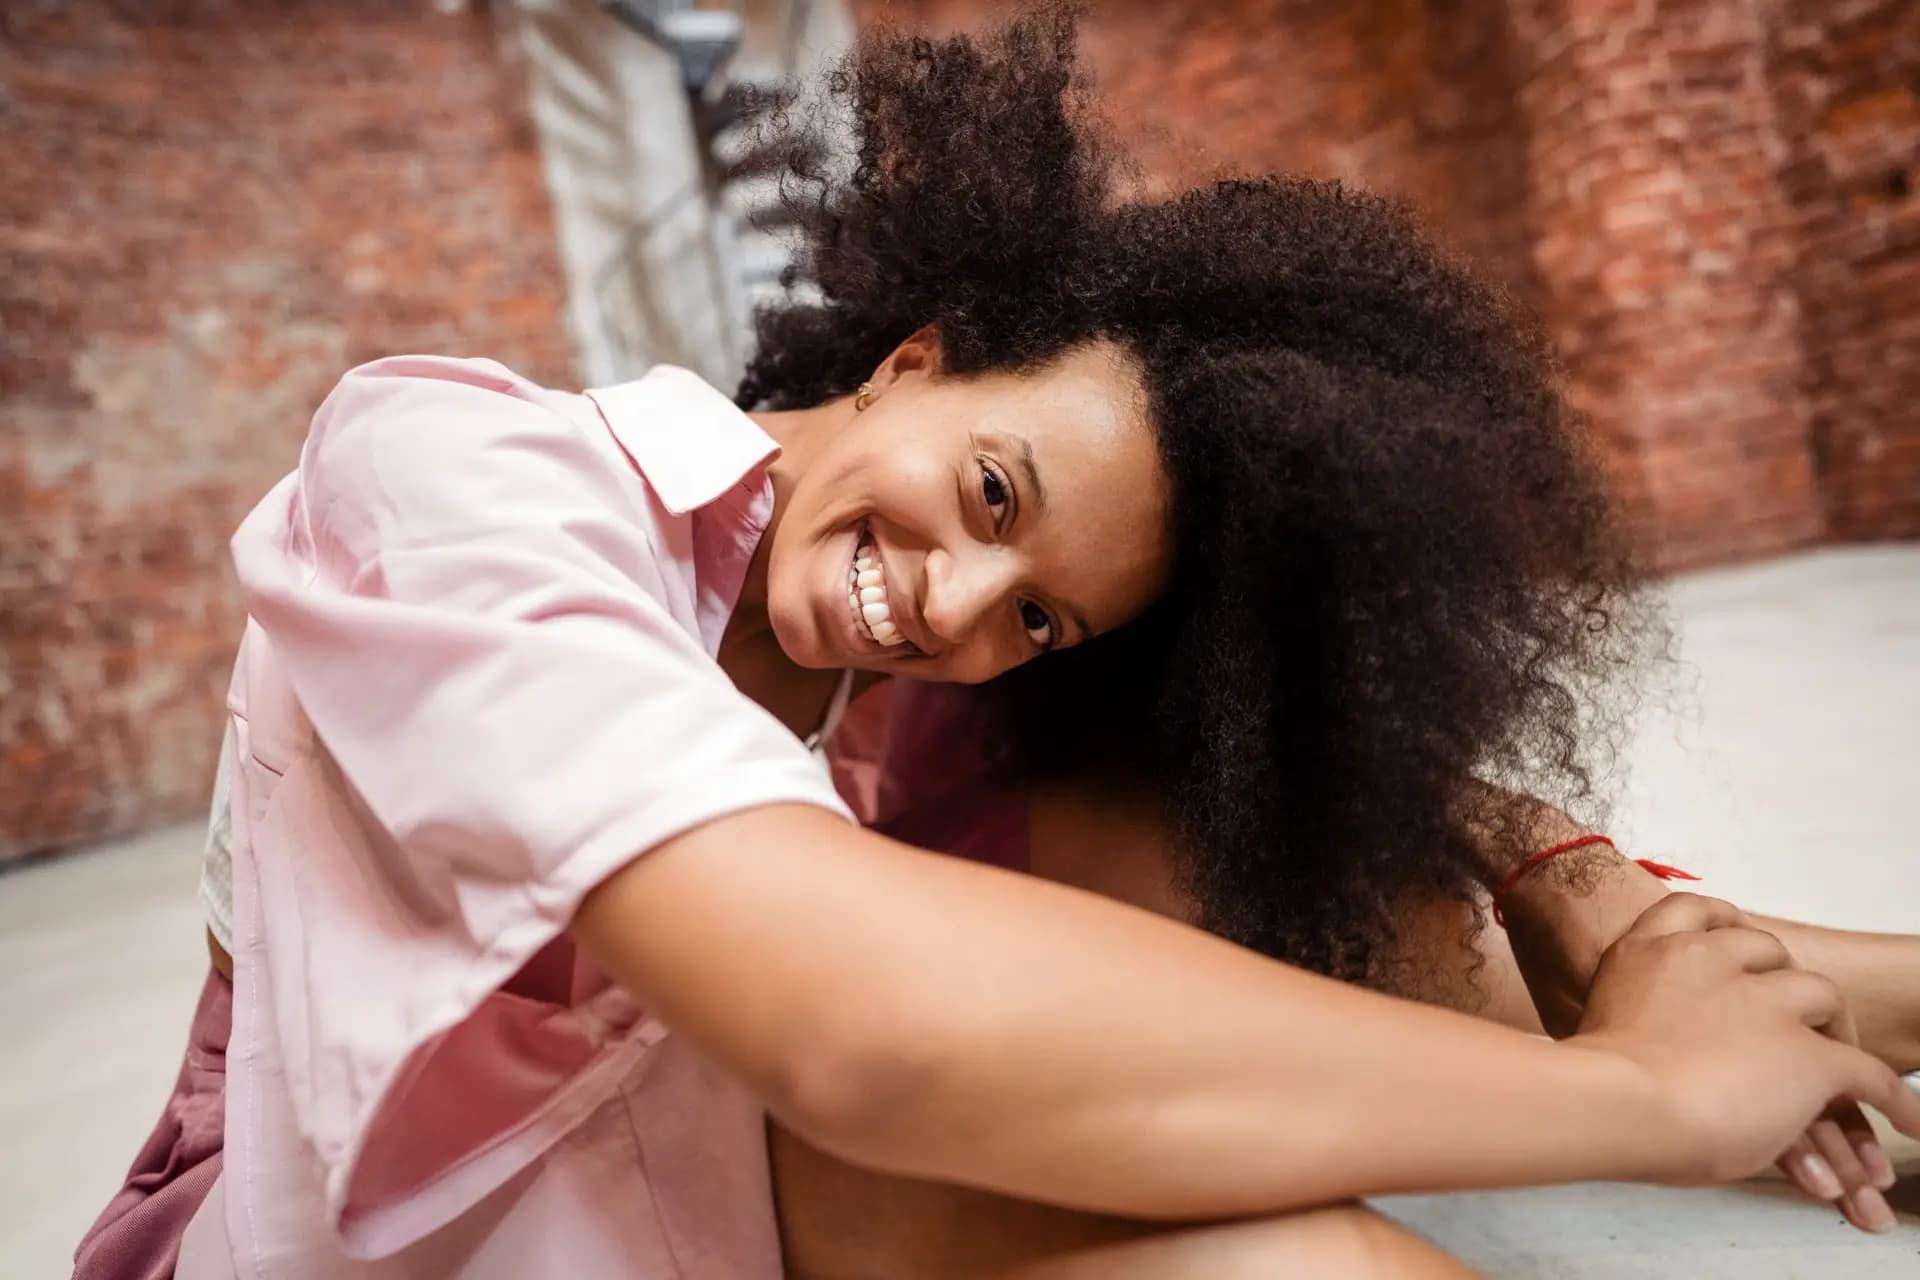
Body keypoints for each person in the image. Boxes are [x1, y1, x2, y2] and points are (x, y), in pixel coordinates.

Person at [76, 7, 1918, 1278]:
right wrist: (1635, 1101)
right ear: (914, 359)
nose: (956, 606)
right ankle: (1717, 1045)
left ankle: (1827, 1003)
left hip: (737, 1167)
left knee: (1319, 890)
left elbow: (1301, 791)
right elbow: (860, 1029)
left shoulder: (928, 670)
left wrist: (1569, 872)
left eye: (1038, 608)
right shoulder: (453, 474)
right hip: (366, 1226)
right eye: (993, 490)